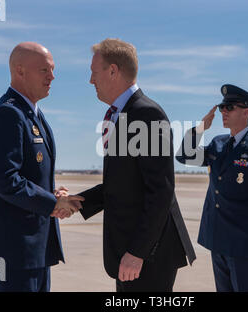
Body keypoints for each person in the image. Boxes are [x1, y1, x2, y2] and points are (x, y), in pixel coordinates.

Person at [76, 38, 196, 292]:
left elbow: (161, 190)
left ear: (112, 71)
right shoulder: (122, 115)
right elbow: (122, 184)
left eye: (93, 72)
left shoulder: (146, 114)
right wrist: (78, 201)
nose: (90, 80)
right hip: (133, 252)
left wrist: (138, 252)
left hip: (148, 255)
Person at [0, 42, 83, 292]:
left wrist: (52, 195)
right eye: (44, 70)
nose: (52, 77)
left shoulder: (32, 114)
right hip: (11, 252)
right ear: (20, 71)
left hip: (34, 251)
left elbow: (28, 177)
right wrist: (53, 203)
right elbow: (4, 180)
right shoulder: (7, 115)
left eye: (53, 70)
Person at [176, 84, 248, 292]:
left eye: (230, 107)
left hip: (245, 243)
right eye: (222, 108)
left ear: (246, 112)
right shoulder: (219, 144)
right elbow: (184, 156)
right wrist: (199, 129)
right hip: (218, 238)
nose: (223, 112)